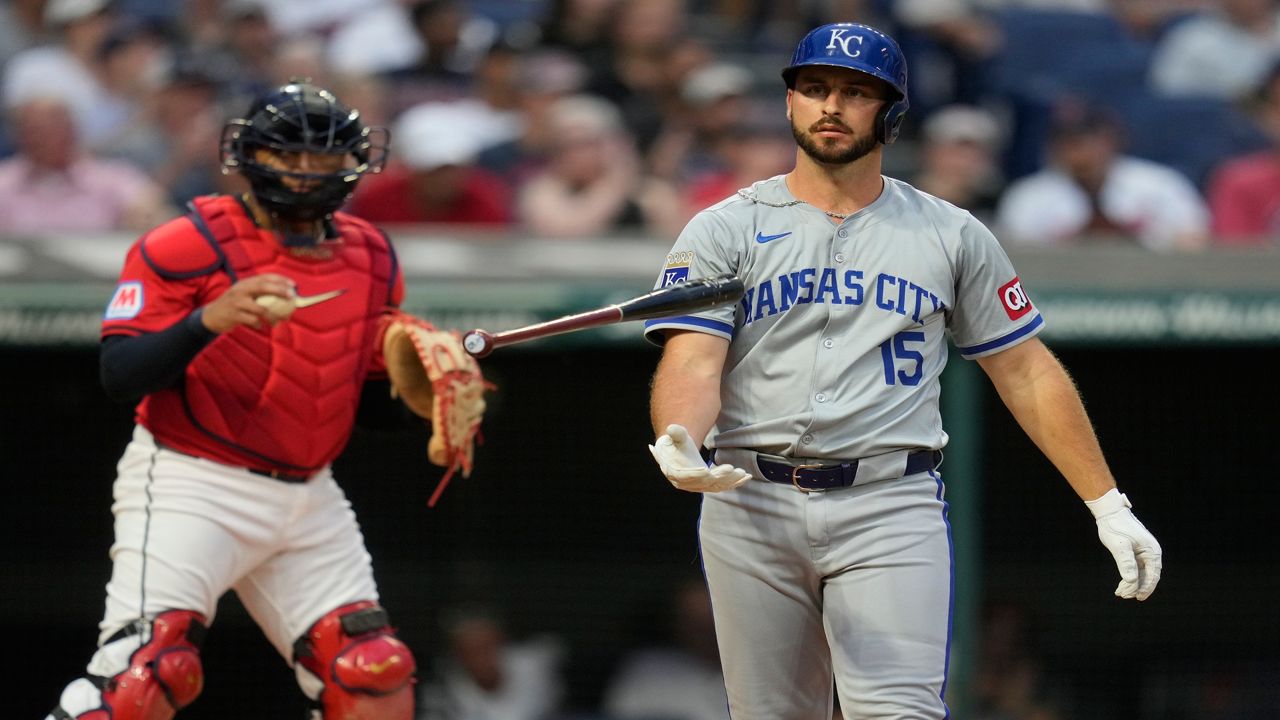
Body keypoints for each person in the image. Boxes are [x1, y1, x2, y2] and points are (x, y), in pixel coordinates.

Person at [642, 23, 1163, 720]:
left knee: (898, 713)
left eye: (856, 92)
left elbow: (1025, 370)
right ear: (791, 101)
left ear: (890, 113)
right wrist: (679, 434)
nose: (832, 105)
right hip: (750, 498)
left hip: (887, 501)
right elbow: (694, 357)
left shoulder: (950, 233)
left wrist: (1107, 502)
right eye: (816, 88)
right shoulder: (723, 228)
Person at [40, 80, 463, 720]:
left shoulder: (373, 254)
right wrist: (206, 321)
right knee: (143, 680)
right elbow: (120, 374)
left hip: (310, 497)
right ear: (250, 157)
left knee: (373, 677)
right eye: (288, 156)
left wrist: (425, 398)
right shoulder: (185, 242)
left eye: (323, 158)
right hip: (192, 480)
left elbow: (368, 405)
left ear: (355, 164)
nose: (305, 172)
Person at [994, 99, 1210, 251]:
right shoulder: (1028, 195)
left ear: (1111, 140)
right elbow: (1013, 258)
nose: (1080, 152)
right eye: (1069, 143)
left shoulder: (1159, 183)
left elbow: (1197, 240)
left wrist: (1137, 240)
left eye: (1088, 140)